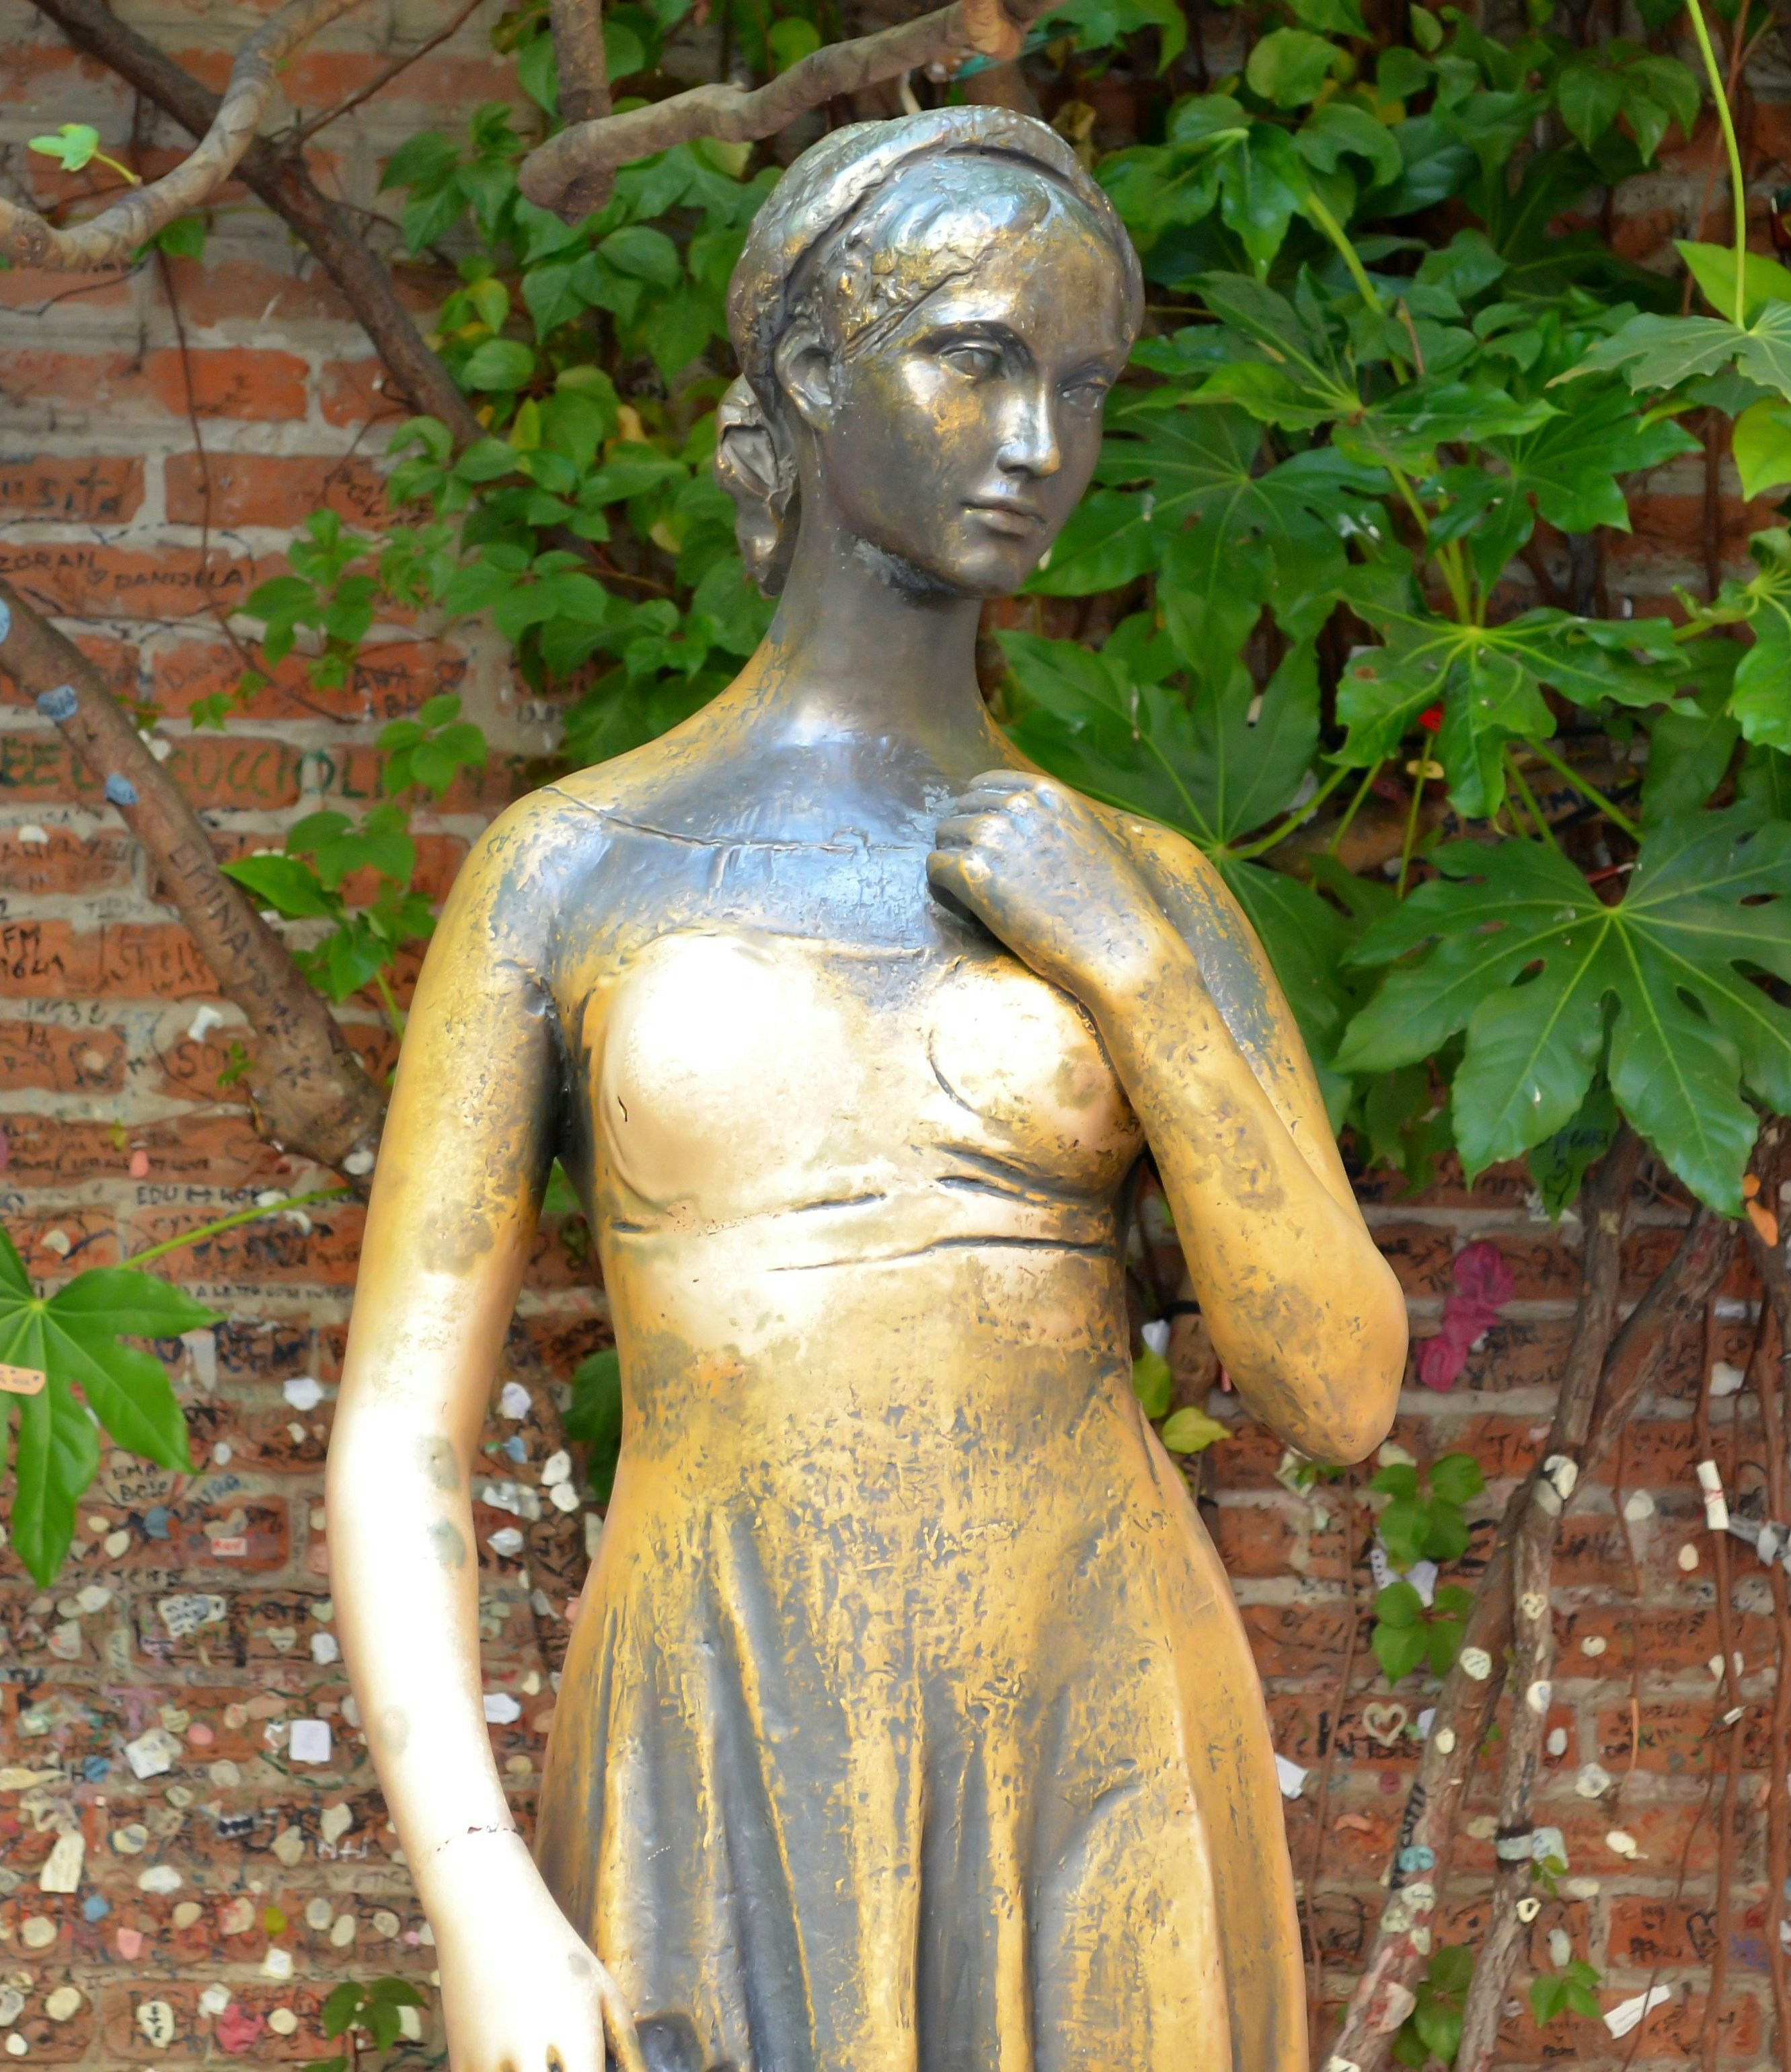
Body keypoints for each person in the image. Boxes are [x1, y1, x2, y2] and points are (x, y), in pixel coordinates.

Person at [325, 105, 1410, 2072]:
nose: (1037, 444)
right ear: (817, 377)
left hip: (1094, 1728)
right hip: (714, 1723)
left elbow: (1337, 1386)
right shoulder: (574, 870)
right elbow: (402, 1438)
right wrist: (477, 1888)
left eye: (1079, 387)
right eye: (978, 358)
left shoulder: (1143, 889)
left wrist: (1142, 978)